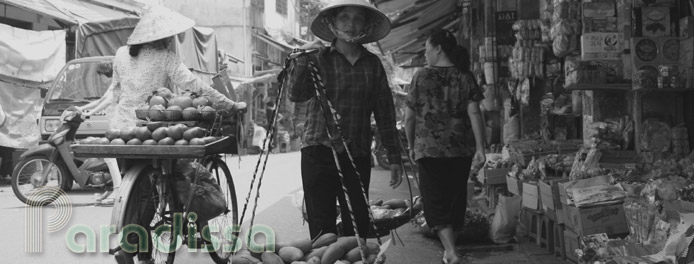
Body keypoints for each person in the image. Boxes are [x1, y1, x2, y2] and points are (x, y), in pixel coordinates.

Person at [66, 6, 246, 263]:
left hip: (122, 133)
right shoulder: (166, 57)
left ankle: (145, 255)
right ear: (164, 37)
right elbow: (193, 84)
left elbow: (116, 93)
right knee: (152, 190)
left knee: (138, 189)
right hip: (154, 132)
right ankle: (129, 248)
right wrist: (228, 104)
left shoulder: (120, 54)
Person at [286, 0, 403, 239]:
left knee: (357, 224)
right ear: (333, 23)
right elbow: (297, 95)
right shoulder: (317, 58)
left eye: (358, 18)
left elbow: (384, 113)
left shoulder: (372, 64)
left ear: (366, 25)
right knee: (321, 227)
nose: (351, 24)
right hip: (318, 151)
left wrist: (393, 156)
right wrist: (300, 60)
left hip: (356, 153)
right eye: (344, 18)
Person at [404, 29, 486, 264]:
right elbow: (474, 113)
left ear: (438, 48)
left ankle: (451, 251)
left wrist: (411, 145)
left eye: (427, 48)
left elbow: (409, 118)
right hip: (460, 149)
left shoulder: (421, 76)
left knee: (435, 200)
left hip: (429, 150)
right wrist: (480, 147)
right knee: (455, 197)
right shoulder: (465, 75)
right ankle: (449, 249)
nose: (425, 53)